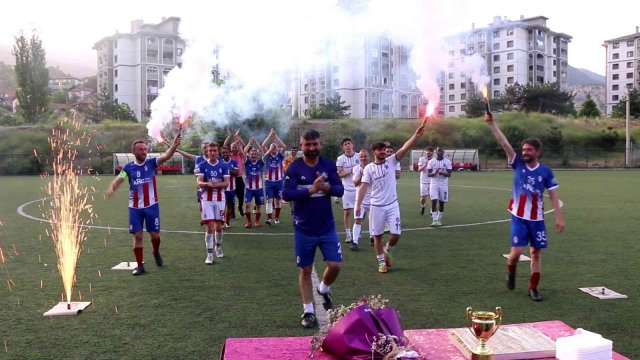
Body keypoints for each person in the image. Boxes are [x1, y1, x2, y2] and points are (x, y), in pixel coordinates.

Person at [485, 112, 565, 302]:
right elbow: (505, 144)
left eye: (529, 150)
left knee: (536, 253)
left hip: (537, 219)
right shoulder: (518, 164)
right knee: (517, 252)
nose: (525, 152)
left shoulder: (545, 171)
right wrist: (492, 124)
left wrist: (559, 217)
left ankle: (533, 287)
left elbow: (553, 193)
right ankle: (511, 271)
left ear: (537, 152)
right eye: (524, 149)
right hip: (518, 216)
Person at [283, 129, 344, 328]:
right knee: (305, 269)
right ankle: (308, 311)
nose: (311, 148)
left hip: (326, 227)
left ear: (320, 144)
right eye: (307, 145)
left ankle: (324, 289)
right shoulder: (294, 168)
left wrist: (325, 188)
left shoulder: (328, 165)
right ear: (301, 145)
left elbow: (340, 189)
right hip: (304, 228)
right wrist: (311, 190)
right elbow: (286, 194)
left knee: (335, 265)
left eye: (315, 144)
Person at [105, 134, 181, 276]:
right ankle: (140, 266)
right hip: (135, 208)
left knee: (155, 236)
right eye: (141, 149)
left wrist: (174, 146)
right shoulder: (128, 167)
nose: (144, 152)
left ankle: (156, 251)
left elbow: (166, 156)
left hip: (151, 206)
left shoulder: (151, 163)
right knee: (138, 236)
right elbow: (119, 179)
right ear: (134, 152)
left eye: (145, 149)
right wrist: (112, 188)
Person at [356, 122, 426, 273]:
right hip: (376, 207)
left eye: (384, 150)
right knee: (378, 236)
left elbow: (404, 148)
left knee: (396, 234)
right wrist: (358, 205)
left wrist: (416, 135)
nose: (383, 152)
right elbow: (363, 187)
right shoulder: (369, 168)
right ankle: (381, 262)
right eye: (380, 150)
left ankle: (388, 251)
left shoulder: (392, 161)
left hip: (392, 205)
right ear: (374, 152)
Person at [196, 143, 230, 264]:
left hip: (220, 198)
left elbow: (226, 183)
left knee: (219, 226)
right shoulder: (201, 165)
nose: (212, 153)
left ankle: (218, 247)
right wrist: (207, 184)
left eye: (215, 150)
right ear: (207, 152)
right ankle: (209, 255)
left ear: (218, 152)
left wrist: (213, 184)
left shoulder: (224, 165)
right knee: (209, 226)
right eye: (210, 151)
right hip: (206, 199)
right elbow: (199, 183)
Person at [335, 138, 359, 243]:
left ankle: (357, 232)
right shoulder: (340, 159)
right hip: (347, 188)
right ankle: (348, 234)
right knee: (347, 212)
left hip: (358, 187)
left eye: (349, 143)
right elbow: (340, 174)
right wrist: (350, 170)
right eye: (345, 144)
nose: (348, 146)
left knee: (359, 212)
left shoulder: (359, 156)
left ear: (352, 145)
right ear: (343, 147)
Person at [261, 128, 287, 225]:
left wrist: (275, 137)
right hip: (269, 182)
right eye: (272, 147)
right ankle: (269, 219)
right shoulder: (267, 156)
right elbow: (263, 145)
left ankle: (276, 218)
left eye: (275, 147)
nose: (274, 149)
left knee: (278, 201)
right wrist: (269, 136)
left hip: (279, 181)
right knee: (269, 200)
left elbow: (284, 146)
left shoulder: (280, 156)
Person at [242, 137, 265, 228]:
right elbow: (243, 152)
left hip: (259, 189)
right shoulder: (247, 162)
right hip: (249, 189)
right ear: (249, 155)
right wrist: (249, 143)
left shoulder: (260, 162)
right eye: (252, 154)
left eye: (255, 154)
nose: (253, 155)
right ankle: (248, 222)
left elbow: (263, 151)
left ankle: (257, 221)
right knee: (247, 205)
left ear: (257, 155)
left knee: (258, 206)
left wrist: (257, 143)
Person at [351, 149, 372, 251]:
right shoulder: (356, 169)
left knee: (372, 220)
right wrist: (361, 174)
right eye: (361, 157)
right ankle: (354, 242)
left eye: (365, 156)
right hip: (360, 199)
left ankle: (372, 237)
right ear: (359, 158)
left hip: (373, 199)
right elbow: (355, 183)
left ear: (369, 157)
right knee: (358, 219)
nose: (363, 158)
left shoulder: (373, 167)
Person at [224, 129, 246, 219]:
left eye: (235, 147)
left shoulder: (240, 155)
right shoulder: (229, 156)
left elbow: (243, 145)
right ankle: (232, 213)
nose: (234, 149)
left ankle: (240, 206)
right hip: (231, 178)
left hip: (239, 178)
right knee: (231, 196)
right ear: (231, 149)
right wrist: (229, 136)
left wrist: (237, 136)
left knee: (241, 196)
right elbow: (225, 145)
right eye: (233, 148)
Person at [427, 146, 452, 227]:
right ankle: (434, 220)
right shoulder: (431, 162)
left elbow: (449, 174)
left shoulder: (447, 162)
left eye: (441, 151)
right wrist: (435, 173)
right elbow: (429, 174)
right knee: (434, 201)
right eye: (438, 151)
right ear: (436, 152)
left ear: (443, 152)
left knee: (441, 202)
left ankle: (439, 219)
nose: (440, 152)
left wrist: (442, 173)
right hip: (434, 184)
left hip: (443, 184)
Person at [220, 146, 239, 228]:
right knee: (221, 206)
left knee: (229, 206)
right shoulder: (219, 162)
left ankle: (227, 222)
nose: (225, 154)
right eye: (223, 153)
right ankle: (222, 222)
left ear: (229, 153)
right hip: (222, 188)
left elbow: (236, 173)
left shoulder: (234, 162)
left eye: (226, 152)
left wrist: (227, 169)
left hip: (231, 188)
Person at [417, 147, 434, 216]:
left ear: (432, 153)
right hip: (423, 181)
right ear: (425, 152)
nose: (428, 152)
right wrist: (425, 165)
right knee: (423, 197)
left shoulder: (434, 160)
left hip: (432, 181)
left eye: (430, 151)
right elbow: (419, 169)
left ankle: (432, 211)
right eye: (427, 151)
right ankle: (423, 206)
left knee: (433, 197)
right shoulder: (422, 159)